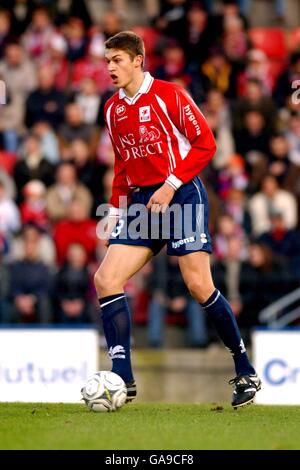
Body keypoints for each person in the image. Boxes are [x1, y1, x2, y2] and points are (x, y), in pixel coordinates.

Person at [94, 31, 261, 408]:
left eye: (117, 59)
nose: (110, 68)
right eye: (107, 61)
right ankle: (122, 378)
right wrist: (115, 215)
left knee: (199, 285)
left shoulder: (170, 95)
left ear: (138, 60)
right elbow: (122, 165)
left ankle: (245, 369)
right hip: (141, 200)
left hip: (181, 194)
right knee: (106, 279)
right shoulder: (112, 110)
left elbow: (206, 143)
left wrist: (170, 186)